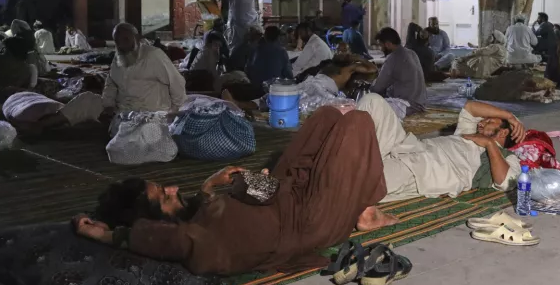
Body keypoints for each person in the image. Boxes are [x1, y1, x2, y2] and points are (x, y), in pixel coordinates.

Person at [71, 106, 395, 276]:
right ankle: (364, 208)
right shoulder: (194, 239)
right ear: (154, 220)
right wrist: (108, 236)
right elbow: (170, 240)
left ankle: (349, 193)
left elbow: (265, 192)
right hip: (310, 220)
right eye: (163, 196)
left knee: (325, 117)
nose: (172, 188)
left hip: (287, 196)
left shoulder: (199, 213)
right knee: (357, 123)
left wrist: (218, 185)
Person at [357, 92, 525, 201]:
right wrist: (509, 116)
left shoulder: (507, 157)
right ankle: (358, 158)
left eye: (489, 121)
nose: (482, 122)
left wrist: (489, 144)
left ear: (503, 133)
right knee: (372, 101)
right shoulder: (468, 133)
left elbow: (505, 182)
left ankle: (354, 166)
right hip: (407, 145)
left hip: (421, 169)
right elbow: (470, 107)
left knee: (359, 180)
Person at [102, 23, 187, 128]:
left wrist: (174, 112)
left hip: (152, 116)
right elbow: (111, 83)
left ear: (137, 38)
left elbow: (177, 83)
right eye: (117, 41)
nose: (121, 45)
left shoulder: (153, 55)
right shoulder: (118, 57)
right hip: (123, 116)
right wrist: (108, 104)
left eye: (126, 39)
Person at [371, 27, 427, 115]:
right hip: (420, 104)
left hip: (406, 107)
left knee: (369, 104)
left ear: (388, 44)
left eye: (381, 45)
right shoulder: (412, 53)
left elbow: (377, 88)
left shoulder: (393, 58)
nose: (380, 49)